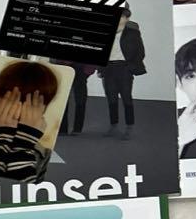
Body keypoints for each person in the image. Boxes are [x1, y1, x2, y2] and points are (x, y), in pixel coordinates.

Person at [98, 7, 145, 140]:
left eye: (122, 17)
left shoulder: (132, 33)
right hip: (109, 68)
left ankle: (129, 127)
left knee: (126, 98)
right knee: (111, 98)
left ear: (127, 19)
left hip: (124, 68)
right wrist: (101, 68)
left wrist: (130, 67)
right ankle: (114, 126)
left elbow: (140, 52)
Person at [59, 63, 96, 136]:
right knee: (63, 99)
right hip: (67, 67)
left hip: (80, 68)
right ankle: (66, 128)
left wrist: (88, 71)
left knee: (79, 100)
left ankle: (74, 129)